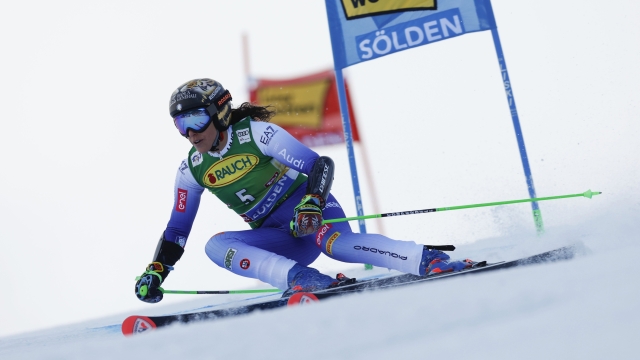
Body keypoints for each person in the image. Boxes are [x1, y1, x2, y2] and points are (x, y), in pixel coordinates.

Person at [134, 78, 475, 303]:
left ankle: (427, 260)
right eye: (180, 124)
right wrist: (157, 270)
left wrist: (312, 202)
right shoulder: (191, 169)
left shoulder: (257, 134)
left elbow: (319, 165)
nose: (190, 133)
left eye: (195, 120)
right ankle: (303, 279)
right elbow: (177, 231)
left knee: (336, 244)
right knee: (216, 245)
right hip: (280, 238)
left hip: (312, 215)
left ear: (219, 112)